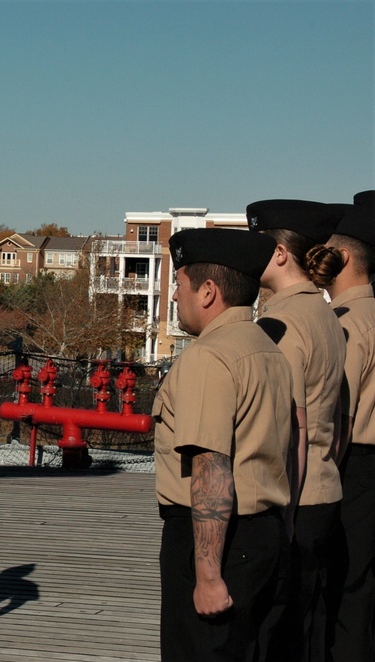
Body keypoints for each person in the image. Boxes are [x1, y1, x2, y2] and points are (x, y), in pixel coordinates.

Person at [154, 227, 292, 662]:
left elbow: (211, 465)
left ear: (208, 291)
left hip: (217, 542)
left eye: (179, 283)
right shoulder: (267, 349)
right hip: (266, 532)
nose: (175, 295)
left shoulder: (208, 357)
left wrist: (208, 575)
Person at [246, 199, 348, 660]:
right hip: (324, 488)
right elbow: (337, 416)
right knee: (310, 628)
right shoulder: (325, 314)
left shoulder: (282, 321)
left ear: (280, 254)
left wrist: (282, 517)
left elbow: (290, 427)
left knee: (280, 636)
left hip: (294, 497)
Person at [324, 191, 375, 661]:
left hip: (353, 468)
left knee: (346, 593)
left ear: (340, 256)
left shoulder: (345, 323)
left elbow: (341, 417)